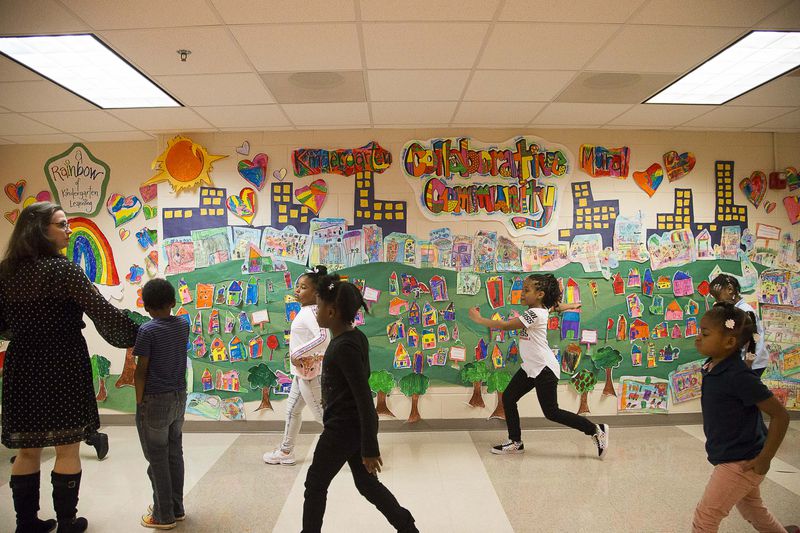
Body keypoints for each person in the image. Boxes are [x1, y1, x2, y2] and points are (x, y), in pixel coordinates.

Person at [0, 202, 139, 533]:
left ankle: (26, 523)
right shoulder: (65, 271)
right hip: (64, 362)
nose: (70, 230)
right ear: (41, 230)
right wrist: (138, 332)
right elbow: (101, 312)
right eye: (62, 224)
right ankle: (67, 521)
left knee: (27, 451)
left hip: (23, 366)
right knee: (67, 448)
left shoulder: (5, 272)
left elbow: (2, 325)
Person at [302, 276, 417, 533]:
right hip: (351, 427)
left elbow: (364, 397)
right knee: (366, 485)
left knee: (315, 484)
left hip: (342, 429)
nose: (316, 311)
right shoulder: (356, 337)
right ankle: (407, 527)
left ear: (331, 312)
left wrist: (370, 447)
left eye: (318, 306)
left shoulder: (343, 348)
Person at [468, 273, 609, 458]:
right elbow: (556, 307)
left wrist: (479, 320)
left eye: (527, 290)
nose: (522, 293)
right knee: (509, 398)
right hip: (531, 367)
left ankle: (595, 429)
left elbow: (505, 325)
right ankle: (515, 442)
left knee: (551, 412)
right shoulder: (542, 309)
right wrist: (571, 305)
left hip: (544, 368)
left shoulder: (534, 313)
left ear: (540, 294)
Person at [692, 303, 796, 532]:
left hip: (742, 461)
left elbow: (780, 416)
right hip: (730, 454)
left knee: (705, 517)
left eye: (705, 333)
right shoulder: (711, 365)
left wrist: (765, 458)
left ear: (729, 342)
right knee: (752, 509)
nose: (698, 337)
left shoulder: (739, 375)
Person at [134, 278, 190, 530]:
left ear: (146, 307)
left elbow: (141, 370)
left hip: (155, 400)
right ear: (173, 302)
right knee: (174, 454)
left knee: (157, 458)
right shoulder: (183, 324)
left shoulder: (147, 331)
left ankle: (162, 514)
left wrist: (139, 402)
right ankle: (176, 508)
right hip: (179, 398)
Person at [263, 266, 330, 466]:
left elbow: (324, 337)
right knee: (292, 411)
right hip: (302, 373)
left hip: (310, 375)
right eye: (297, 287)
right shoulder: (306, 310)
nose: (297, 291)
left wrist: (297, 353)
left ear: (316, 293)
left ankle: (357, 450)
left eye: (303, 287)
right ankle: (285, 451)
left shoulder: (311, 312)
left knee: (324, 418)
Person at [709, 274, 770, 377]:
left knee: (746, 391)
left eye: (718, 297)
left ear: (730, 289)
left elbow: (752, 341)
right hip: (744, 362)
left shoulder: (745, 311)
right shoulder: (733, 310)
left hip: (752, 364)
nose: (717, 301)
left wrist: (746, 368)